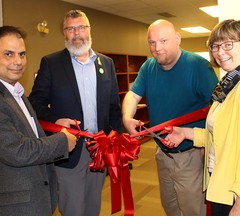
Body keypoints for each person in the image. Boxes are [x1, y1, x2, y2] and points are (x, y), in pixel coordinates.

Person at [0, 25, 77, 216]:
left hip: (33, 201)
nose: (18, 61)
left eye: (22, 54)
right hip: (11, 208)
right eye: (9, 54)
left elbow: (26, 131)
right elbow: (18, 150)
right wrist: (62, 141)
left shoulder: (14, 92)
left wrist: (56, 127)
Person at [28, 10, 122, 216]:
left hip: (99, 149)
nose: (76, 33)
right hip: (69, 152)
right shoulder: (51, 63)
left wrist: (115, 137)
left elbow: (114, 106)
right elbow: (34, 103)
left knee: (93, 206)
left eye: (81, 27)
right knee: (73, 208)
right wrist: (55, 120)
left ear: (89, 30)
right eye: (70, 28)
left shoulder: (106, 63)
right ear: (64, 33)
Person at [122, 19, 218, 216]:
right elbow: (133, 95)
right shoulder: (148, 67)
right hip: (162, 154)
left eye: (163, 41)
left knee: (193, 210)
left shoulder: (199, 67)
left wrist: (206, 144)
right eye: (152, 42)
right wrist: (126, 117)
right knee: (170, 208)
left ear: (177, 39)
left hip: (191, 154)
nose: (157, 48)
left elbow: (218, 111)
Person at [164, 19, 240, 216]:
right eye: (215, 46)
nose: (220, 51)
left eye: (228, 44)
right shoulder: (229, 85)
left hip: (234, 190)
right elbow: (223, 135)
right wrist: (185, 133)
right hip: (221, 179)